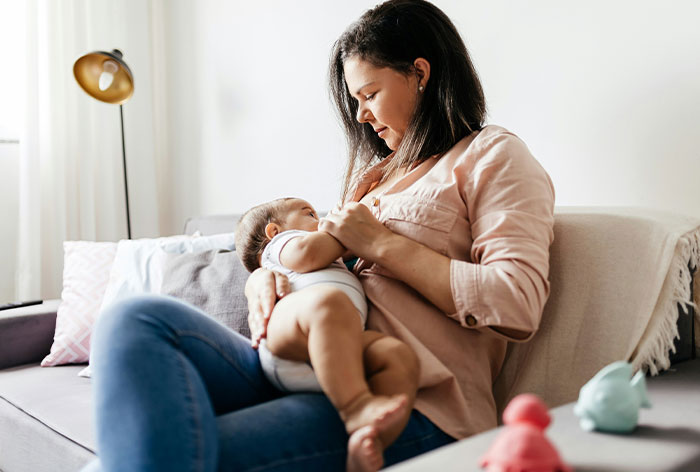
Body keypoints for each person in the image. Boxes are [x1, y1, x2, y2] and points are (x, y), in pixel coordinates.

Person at [83, 0, 555, 471]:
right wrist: (264, 275)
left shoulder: (492, 156)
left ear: (420, 73)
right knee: (134, 319)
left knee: (160, 457)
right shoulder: (374, 178)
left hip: (407, 397)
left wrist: (384, 245)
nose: (361, 115)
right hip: (305, 363)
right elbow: (319, 263)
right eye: (355, 101)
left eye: (369, 94)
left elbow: (517, 300)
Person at [234, 196, 419, 471]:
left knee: (396, 355)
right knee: (327, 303)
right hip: (292, 332)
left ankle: (369, 441)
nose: (319, 219)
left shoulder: (331, 258)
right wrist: (350, 233)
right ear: (274, 231)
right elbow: (308, 253)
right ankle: (356, 407)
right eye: (308, 213)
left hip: (337, 353)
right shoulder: (281, 247)